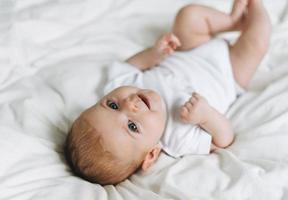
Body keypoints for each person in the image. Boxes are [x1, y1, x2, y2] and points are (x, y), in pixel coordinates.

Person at [64, 0, 271, 185]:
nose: (130, 105)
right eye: (133, 126)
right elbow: (224, 139)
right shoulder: (177, 138)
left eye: (112, 105)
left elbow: (131, 66)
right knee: (257, 41)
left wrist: (154, 54)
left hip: (189, 50)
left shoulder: (123, 83)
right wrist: (206, 116)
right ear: (151, 154)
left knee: (189, 15)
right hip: (227, 73)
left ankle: (233, 20)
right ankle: (255, 6)